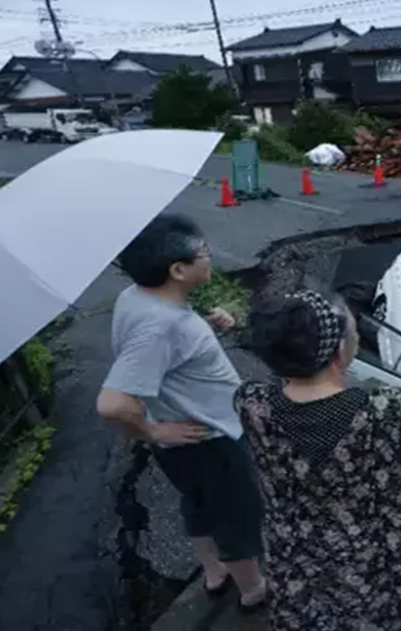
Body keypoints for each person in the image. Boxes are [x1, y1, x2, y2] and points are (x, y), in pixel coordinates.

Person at [238, 288, 401, 631]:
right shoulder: (381, 408)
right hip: (387, 551)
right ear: (339, 350)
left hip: (301, 550)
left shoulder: (252, 403)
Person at [96, 214, 268, 611]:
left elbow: (163, 349)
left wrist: (205, 328)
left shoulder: (138, 297)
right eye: (203, 253)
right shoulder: (163, 325)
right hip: (210, 438)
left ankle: (213, 572)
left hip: (183, 440)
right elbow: (111, 404)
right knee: (236, 515)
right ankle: (253, 589)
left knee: (197, 503)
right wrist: (154, 433)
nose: (210, 258)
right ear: (177, 270)